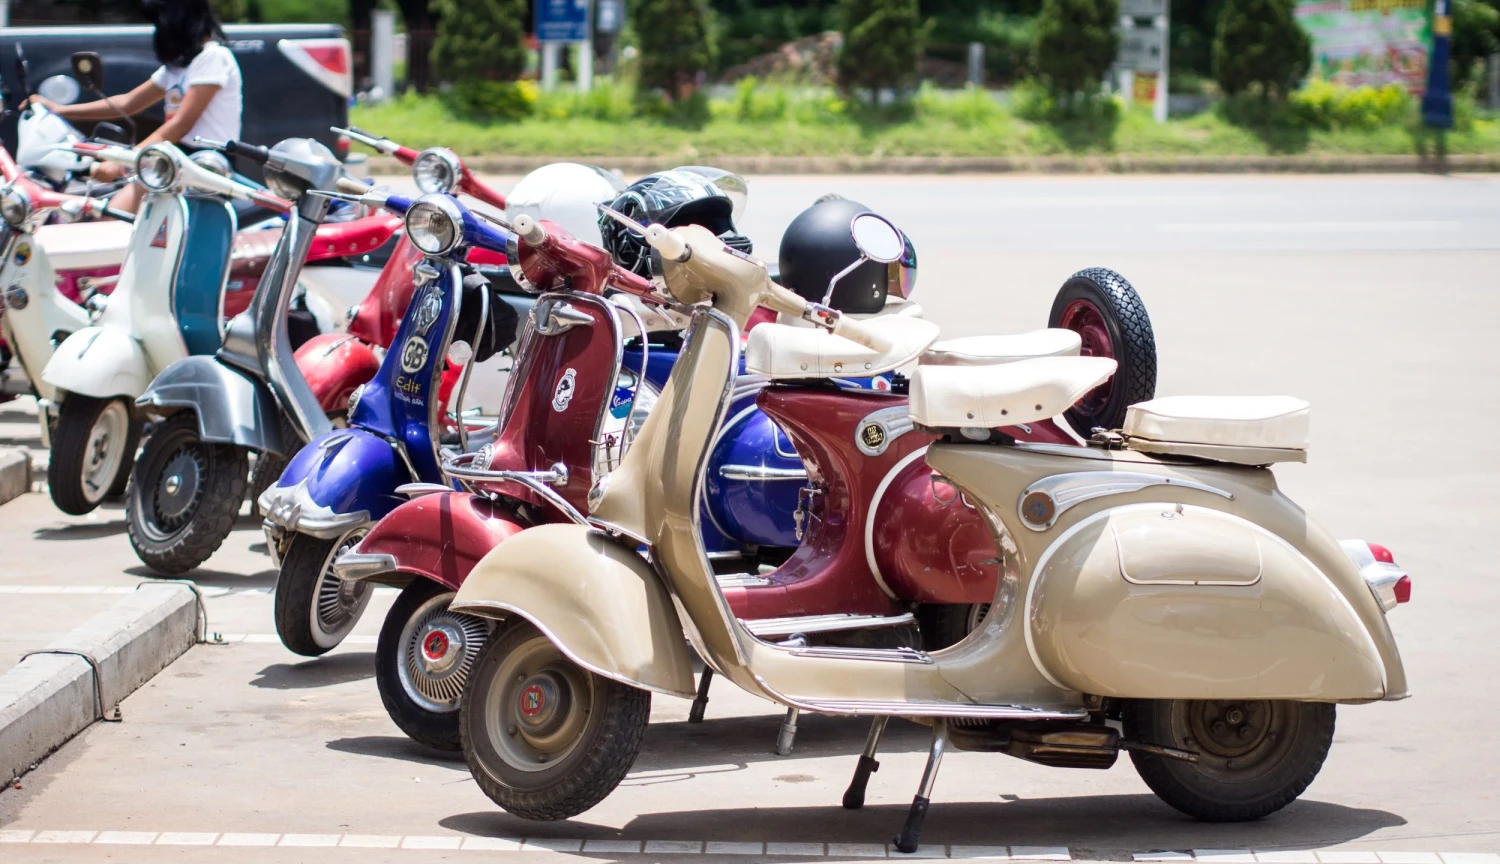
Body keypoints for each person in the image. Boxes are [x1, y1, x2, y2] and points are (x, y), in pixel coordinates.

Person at [23, 0, 242, 212]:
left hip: (206, 164)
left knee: (158, 231)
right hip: (175, 156)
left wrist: (124, 162)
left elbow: (180, 125)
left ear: (180, 21)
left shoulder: (213, 58)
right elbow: (127, 103)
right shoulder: (179, 67)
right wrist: (59, 110)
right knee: (112, 215)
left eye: (160, 23)